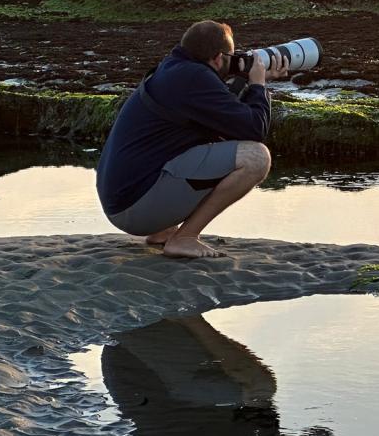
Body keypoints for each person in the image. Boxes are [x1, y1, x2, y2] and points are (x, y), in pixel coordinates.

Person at [96, 20, 287, 259]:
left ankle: (163, 232)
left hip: (121, 202)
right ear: (218, 58)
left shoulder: (174, 69)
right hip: (134, 208)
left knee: (196, 148)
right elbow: (253, 129)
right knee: (256, 158)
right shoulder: (194, 78)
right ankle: (184, 239)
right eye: (229, 58)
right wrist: (259, 85)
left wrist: (247, 82)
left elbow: (226, 113)